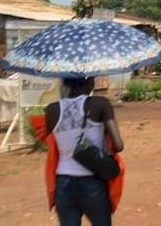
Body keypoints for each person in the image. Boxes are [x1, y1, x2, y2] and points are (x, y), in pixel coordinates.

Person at [44, 77, 125, 226]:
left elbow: (51, 141)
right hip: (91, 182)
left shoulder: (51, 110)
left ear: (65, 83)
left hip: (63, 183)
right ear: (90, 82)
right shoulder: (100, 104)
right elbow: (118, 145)